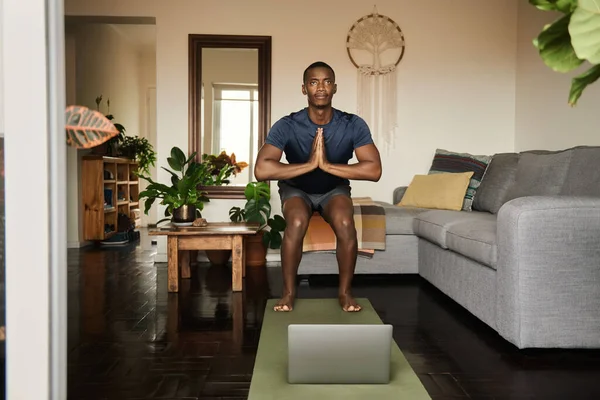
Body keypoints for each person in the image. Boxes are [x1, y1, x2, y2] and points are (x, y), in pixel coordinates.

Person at [254, 61, 382, 312]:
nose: (320, 87)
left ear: (334, 88)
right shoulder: (287, 125)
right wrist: (311, 164)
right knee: (298, 221)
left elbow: (374, 170)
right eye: (314, 82)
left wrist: (328, 167)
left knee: (346, 223)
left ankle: (345, 294)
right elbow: (262, 170)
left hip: (334, 190)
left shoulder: (352, 124)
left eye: (326, 82)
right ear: (304, 89)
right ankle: (289, 294)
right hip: (296, 189)